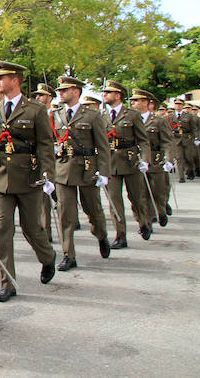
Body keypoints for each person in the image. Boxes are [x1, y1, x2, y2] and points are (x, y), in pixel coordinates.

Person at [0, 61, 56, 303]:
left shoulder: (35, 110)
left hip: (28, 176)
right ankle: (7, 282)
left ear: (15, 79)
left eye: (1, 77)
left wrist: (48, 175)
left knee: (32, 228)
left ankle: (47, 257)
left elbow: (46, 144)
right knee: (2, 228)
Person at [51, 76, 111, 272]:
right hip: (63, 169)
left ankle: (101, 234)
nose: (60, 93)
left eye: (64, 90)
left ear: (76, 91)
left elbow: (102, 146)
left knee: (93, 210)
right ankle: (69, 254)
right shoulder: (55, 114)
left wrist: (104, 172)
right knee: (65, 214)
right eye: (59, 90)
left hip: (87, 168)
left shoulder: (92, 115)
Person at [102, 80, 152, 248]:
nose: (104, 95)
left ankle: (143, 222)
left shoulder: (132, 114)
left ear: (117, 95)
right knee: (114, 202)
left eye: (108, 92)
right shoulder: (102, 115)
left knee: (136, 198)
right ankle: (120, 235)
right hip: (110, 162)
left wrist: (144, 160)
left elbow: (143, 141)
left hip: (130, 161)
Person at [129, 89, 173, 227]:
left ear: (145, 102)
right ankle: (146, 221)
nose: (133, 103)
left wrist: (169, 159)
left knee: (158, 191)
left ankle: (161, 211)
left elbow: (167, 142)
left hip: (155, 160)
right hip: (137, 160)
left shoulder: (158, 121)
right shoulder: (130, 119)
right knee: (141, 194)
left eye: (136, 101)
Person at [32, 83, 57, 243]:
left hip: (59, 159)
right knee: (42, 200)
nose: (38, 98)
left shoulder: (56, 115)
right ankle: (45, 233)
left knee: (55, 195)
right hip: (40, 160)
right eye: (37, 95)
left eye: (41, 95)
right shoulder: (34, 114)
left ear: (50, 97)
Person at [168, 99, 197, 182]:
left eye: (180, 104)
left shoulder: (188, 116)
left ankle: (190, 170)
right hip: (176, 138)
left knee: (188, 157)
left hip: (187, 138)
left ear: (182, 105)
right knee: (179, 158)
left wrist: (194, 138)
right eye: (176, 104)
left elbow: (193, 128)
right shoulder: (170, 116)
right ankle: (181, 177)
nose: (178, 105)